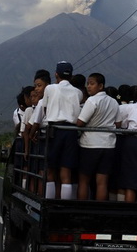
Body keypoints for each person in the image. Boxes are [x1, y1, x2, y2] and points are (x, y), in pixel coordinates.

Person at [39, 61, 82, 199]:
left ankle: (48, 202)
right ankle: (65, 204)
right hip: (71, 131)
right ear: (71, 75)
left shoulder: (50, 89)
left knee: (51, 169)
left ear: (56, 74)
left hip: (55, 130)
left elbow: (45, 109)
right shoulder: (78, 92)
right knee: (66, 172)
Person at [76, 73, 119, 200]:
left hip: (90, 144)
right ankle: (99, 212)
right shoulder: (113, 102)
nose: (88, 86)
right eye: (88, 83)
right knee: (102, 182)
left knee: (83, 180)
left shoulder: (92, 100)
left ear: (101, 86)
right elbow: (119, 123)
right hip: (109, 145)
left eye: (92, 83)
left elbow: (80, 122)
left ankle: (81, 209)